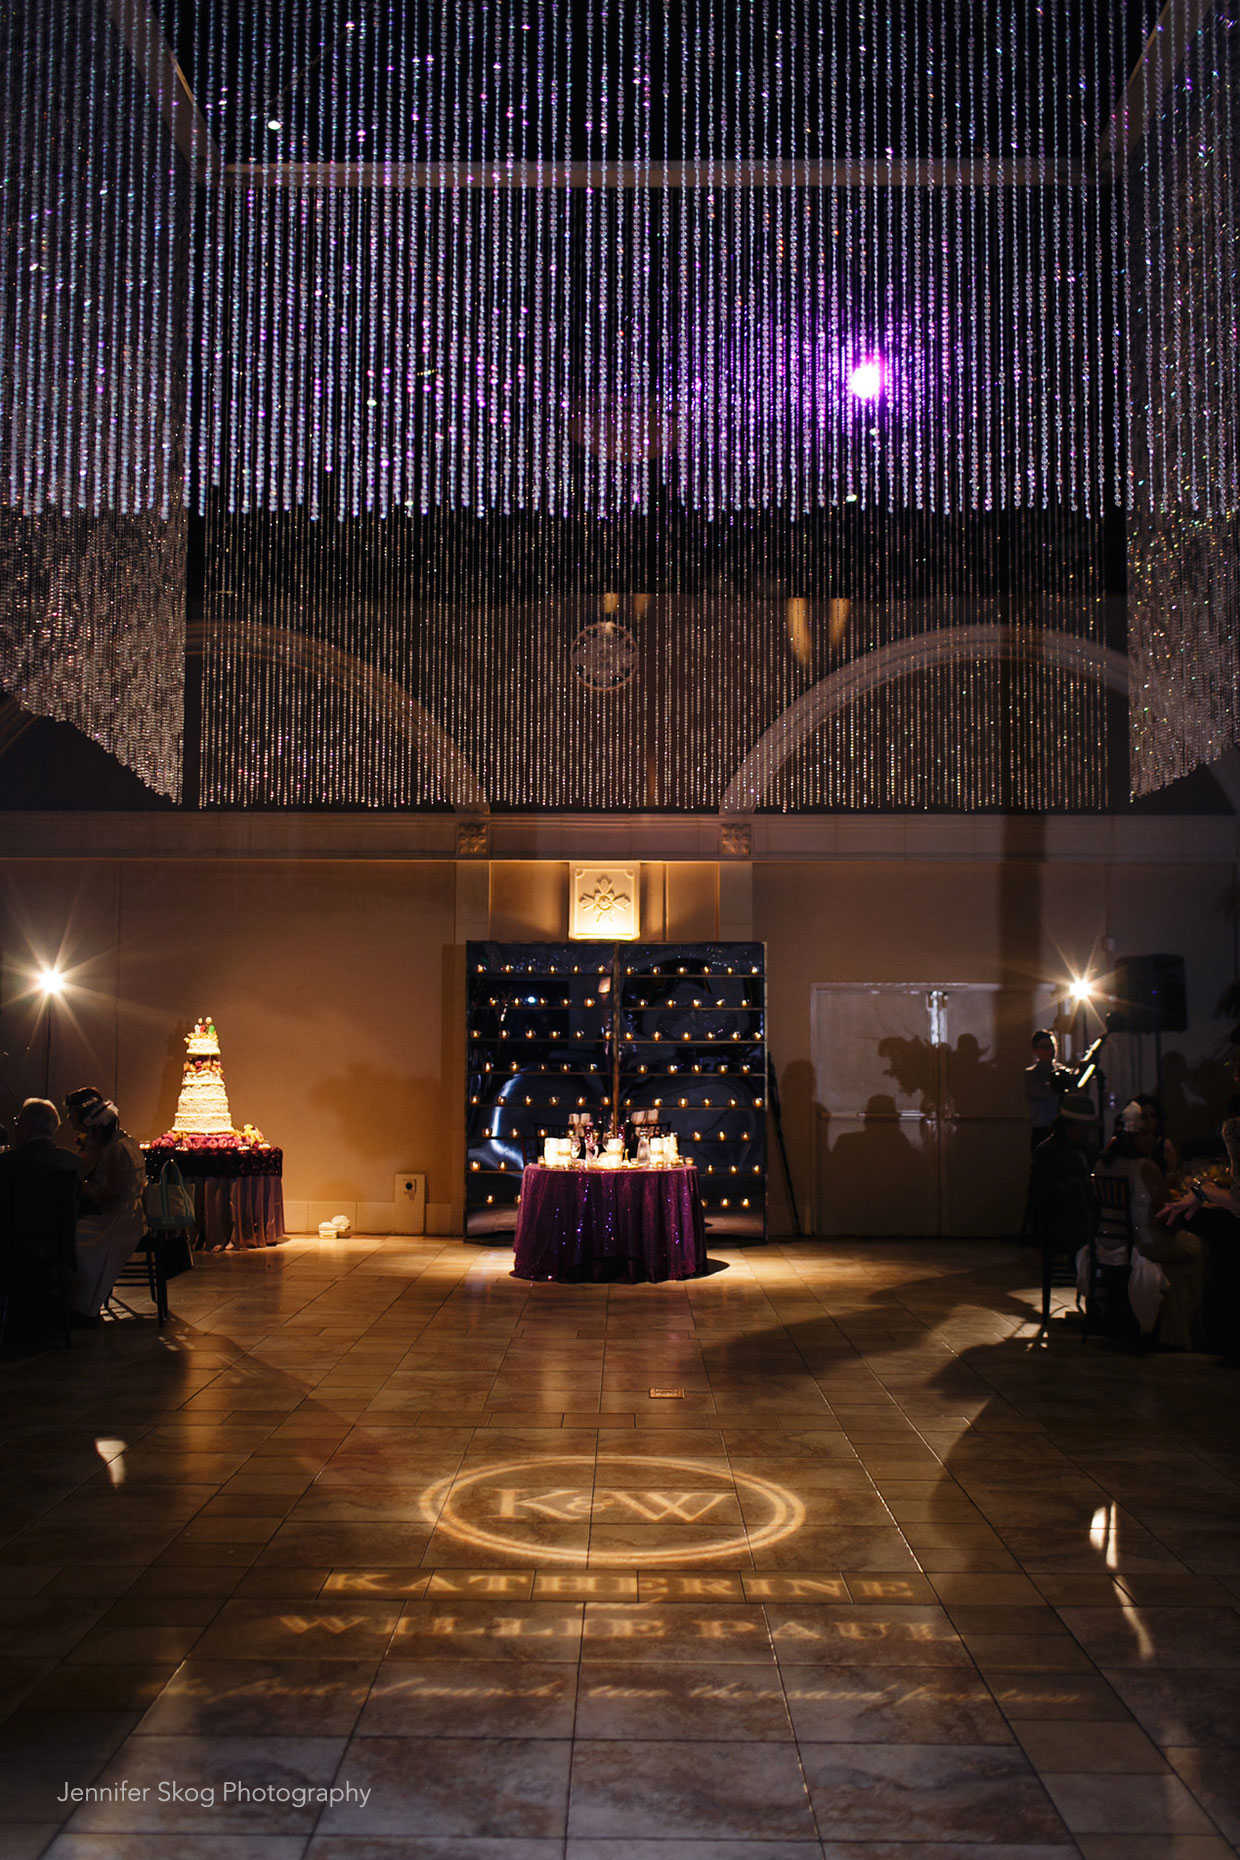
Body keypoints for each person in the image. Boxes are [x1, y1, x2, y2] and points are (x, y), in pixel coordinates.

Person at [1098, 1100, 1202, 1350]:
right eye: (1145, 1134)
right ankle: (1187, 1331)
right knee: (1198, 1249)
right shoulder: (1145, 1167)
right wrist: (1172, 1171)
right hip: (1141, 1242)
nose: (1151, 1138)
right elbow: (1165, 1212)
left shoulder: (1102, 1163)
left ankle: (1171, 1331)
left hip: (1105, 1240)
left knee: (1177, 1265)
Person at [0, 1098, 81, 1341]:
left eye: (17, 1122)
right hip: (59, 1251)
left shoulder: (7, 1164)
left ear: (25, 1127)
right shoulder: (72, 1162)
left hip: (12, 1252)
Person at [64, 1085, 144, 1324]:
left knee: (70, 1239)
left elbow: (111, 1194)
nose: (68, 1119)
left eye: (72, 1114)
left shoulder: (115, 1149)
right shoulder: (116, 1143)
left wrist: (83, 1188)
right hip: (123, 1215)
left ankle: (80, 1307)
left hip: (115, 1221)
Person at [1029, 1089, 1097, 1330]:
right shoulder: (1054, 1154)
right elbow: (1055, 1198)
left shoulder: (1064, 1150)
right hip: (1061, 1227)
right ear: (1071, 1127)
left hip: (1063, 1224)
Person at [1025, 1030, 1076, 1155]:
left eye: (1052, 1046)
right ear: (1035, 1050)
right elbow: (1038, 1093)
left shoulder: (1063, 1070)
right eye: (1044, 1047)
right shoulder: (1031, 1074)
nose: (1050, 1051)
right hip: (1042, 1128)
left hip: (1063, 1128)